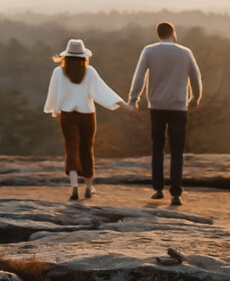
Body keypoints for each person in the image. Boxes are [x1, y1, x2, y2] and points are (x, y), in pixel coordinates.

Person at [128, 21, 204, 205]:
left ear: (158, 34)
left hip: (157, 107)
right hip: (179, 107)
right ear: (173, 33)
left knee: (158, 147)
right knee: (177, 151)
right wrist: (195, 98)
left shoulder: (149, 51)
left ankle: (158, 188)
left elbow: (139, 76)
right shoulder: (185, 53)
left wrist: (133, 99)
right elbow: (196, 78)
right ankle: (176, 193)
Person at [42, 39, 125, 203]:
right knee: (87, 148)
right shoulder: (89, 71)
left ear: (66, 56)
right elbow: (102, 90)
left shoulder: (58, 72)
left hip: (67, 115)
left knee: (71, 148)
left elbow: (54, 93)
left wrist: (55, 109)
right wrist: (122, 104)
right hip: (87, 114)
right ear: (83, 57)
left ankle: (74, 187)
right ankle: (88, 187)